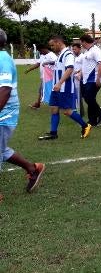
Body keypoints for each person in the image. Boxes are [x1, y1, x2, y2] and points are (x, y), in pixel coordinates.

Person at [0, 28, 46, 200]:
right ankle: (33, 168)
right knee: (2, 149)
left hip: (4, 113)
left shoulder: (2, 59)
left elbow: (4, 90)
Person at [38, 36, 92, 140]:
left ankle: (85, 126)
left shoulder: (68, 54)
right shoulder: (60, 55)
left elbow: (70, 69)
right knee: (54, 109)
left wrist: (59, 83)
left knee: (67, 111)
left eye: (52, 45)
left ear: (58, 43)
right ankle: (53, 133)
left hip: (64, 88)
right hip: (57, 88)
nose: (52, 47)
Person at [79, 34, 101, 127]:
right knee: (89, 98)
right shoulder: (88, 51)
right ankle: (92, 120)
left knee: (88, 98)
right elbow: (87, 65)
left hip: (94, 80)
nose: (81, 44)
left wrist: (98, 78)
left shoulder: (95, 51)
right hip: (86, 80)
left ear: (84, 41)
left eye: (81, 42)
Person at [24, 44, 56, 109]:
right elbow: (38, 64)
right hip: (44, 77)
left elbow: (55, 62)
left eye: (40, 51)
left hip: (51, 78)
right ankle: (38, 104)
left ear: (44, 49)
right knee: (41, 90)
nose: (40, 52)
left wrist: (47, 63)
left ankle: (38, 104)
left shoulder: (51, 55)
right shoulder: (42, 55)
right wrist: (29, 69)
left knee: (47, 90)